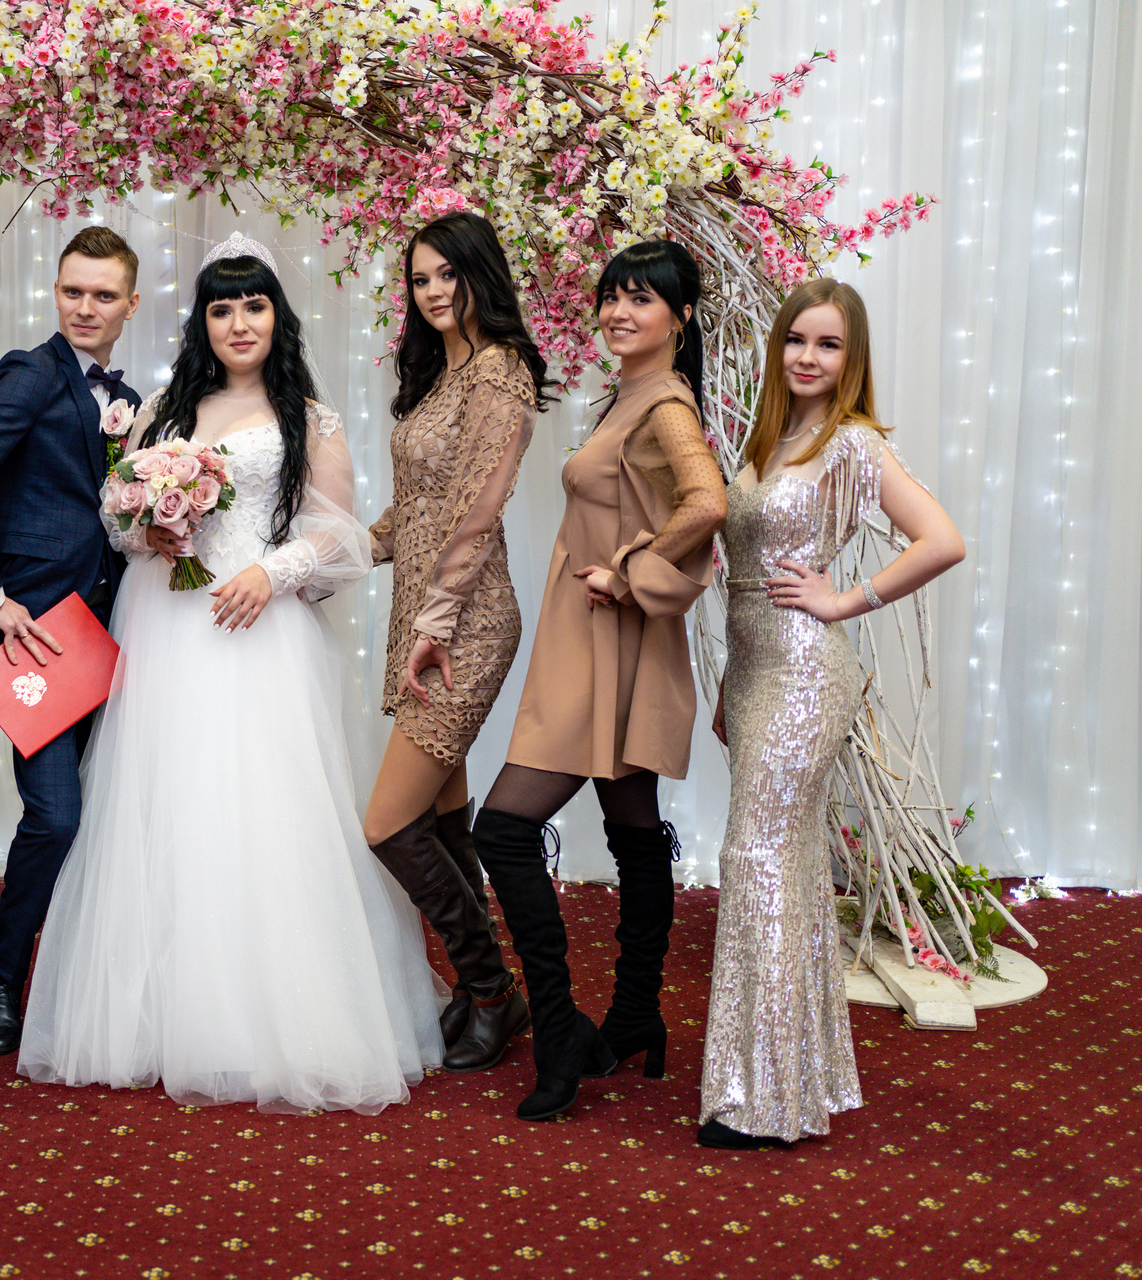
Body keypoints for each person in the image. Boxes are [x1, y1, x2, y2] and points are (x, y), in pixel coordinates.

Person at [16, 234, 444, 1113]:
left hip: (259, 630)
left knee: (260, 806)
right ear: (201, 322)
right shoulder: (165, 406)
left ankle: (265, 1022)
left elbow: (342, 537)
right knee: (165, 800)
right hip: (164, 625)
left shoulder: (309, 418)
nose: (239, 322)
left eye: (254, 305)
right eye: (221, 308)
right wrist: (148, 528)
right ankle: (163, 1015)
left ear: (276, 316)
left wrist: (271, 573)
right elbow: (114, 517)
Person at [699, 280, 963, 1150]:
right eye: (797, 340)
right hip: (755, 675)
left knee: (755, 858)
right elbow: (744, 579)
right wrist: (732, 682)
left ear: (853, 359)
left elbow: (943, 540)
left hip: (808, 676)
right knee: (793, 865)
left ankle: (760, 1101)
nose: (808, 357)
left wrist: (847, 600)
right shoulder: (767, 438)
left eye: (829, 344)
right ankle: (800, 1078)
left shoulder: (853, 443)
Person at [474, 239, 727, 1122]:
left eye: (642, 299)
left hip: (609, 637)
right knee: (632, 822)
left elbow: (708, 503)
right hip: (599, 640)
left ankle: (559, 1032)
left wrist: (625, 569)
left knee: (503, 829)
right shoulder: (632, 395)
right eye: (612, 296)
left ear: (681, 316)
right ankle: (633, 1015)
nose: (619, 311)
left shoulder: (665, 404)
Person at [0, 225, 143, 1055]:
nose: (85, 307)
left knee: (109, 818)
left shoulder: (126, 395)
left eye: (103, 295)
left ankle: (85, 983)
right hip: (41, 636)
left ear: (130, 304)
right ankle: (3, 982)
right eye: (72, 291)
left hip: (114, 629)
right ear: (55, 292)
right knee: (55, 817)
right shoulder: (33, 371)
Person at [361, 211, 559, 1073]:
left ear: (481, 275)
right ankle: (485, 990)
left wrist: (435, 624)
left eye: (449, 273)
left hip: (463, 625)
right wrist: (338, 550)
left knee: (386, 825)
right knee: (441, 818)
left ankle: (490, 989)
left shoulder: (501, 373)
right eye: (420, 278)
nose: (434, 291)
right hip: (420, 619)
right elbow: (418, 510)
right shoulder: (442, 374)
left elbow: (476, 513)